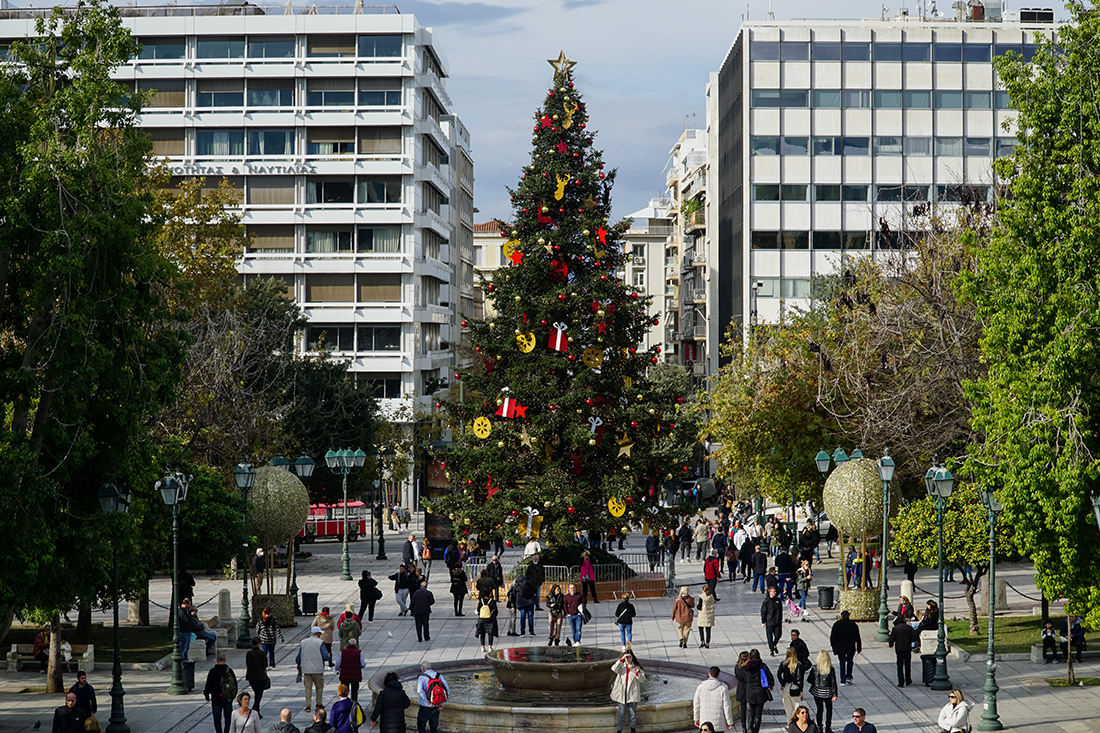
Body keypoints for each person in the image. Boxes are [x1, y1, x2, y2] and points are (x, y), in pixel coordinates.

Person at [295, 626, 331, 713]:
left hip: (307, 669)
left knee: (308, 688)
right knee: (319, 687)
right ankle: (319, 703)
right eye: (320, 633)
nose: (320, 635)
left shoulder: (303, 642)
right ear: (317, 633)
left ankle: (308, 705)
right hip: (318, 669)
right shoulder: (320, 642)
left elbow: (298, 657)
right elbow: (325, 656)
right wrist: (329, 656)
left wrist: (299, 663)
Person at [735, 650, 773, 733]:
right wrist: (771, 684)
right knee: (758, 713)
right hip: (760, 691)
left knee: (751, 711)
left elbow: (741, 677)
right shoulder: (762, 665)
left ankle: (749, 727)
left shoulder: (745, 667)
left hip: (750, 691)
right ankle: (756, 729)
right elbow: (769, 676)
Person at [611, 650, 645, 733]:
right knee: (621, 714)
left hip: (632, 693)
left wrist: (637, 673)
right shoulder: (621, 666)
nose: (628, 659)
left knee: (632, 714)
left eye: (630, 657)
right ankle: (619, 731)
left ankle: (633, 730)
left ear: (632, 657)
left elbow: (642, 679)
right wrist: (621, 659)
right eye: (627, 657)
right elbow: (613, 669)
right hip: (622, 692)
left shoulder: (636, 667)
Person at [692, 665, 733, 732]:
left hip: (704, 722)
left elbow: (696, 705)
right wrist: (729, 722)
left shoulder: (700, 687)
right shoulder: (723, 688)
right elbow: (727, 706)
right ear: (718, 675)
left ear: (709, 674)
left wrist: (696, 719)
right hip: (719, 723)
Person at [203, 652, 236, 733]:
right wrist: (232, 696)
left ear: (217, 660)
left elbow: (208, 684)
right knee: (228, 716)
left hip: (216, 697)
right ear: (225, 660)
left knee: (217, 718)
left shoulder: (212, 671)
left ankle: (219, 731)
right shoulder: (229, 671)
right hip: (227, 697)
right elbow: (234, 684)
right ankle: (226, 731)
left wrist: (206, 695)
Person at [807, 650, 838, 733]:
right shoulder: (830, 668)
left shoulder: (815, 668)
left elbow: (809, 679)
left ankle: (819, 727)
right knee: (829, 710)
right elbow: (833, 682)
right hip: (828, 692)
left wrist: (815, 683)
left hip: (817, 691)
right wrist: (835, 694)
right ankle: (828, 727)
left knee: (819, 710)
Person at [777, 648, 810, 722]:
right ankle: (794, 722)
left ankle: (789, 722)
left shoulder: (783, 664)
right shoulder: (798, 665)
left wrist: (782, 683)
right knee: (796, 706)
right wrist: (800, 690)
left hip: (786, 686)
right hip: (795, 687)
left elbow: (778, 674)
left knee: (788, 708)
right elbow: (799, 678)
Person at [829, 610, 861, 685]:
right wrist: (859, 647)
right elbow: (857, 637)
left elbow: (832, 637)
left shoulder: (837, 624)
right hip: (850, 647)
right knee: (850, 661)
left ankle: (842, 679)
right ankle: (849, 676)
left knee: (842, 662)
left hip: (840, 648)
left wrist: (833, 647)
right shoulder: (853, 624)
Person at [416, 661, 449, 733]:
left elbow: (419, 690)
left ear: (423, 669)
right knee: (434, 727)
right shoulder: (439, 676)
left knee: (421, 725)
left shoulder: (422, 677)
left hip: (425, 706)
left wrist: (427, 701)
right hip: (436, 706)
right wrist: (441, 703)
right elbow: (446, 689)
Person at [887, 616, 917, 687]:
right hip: (907, 648)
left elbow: (891, 639)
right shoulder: (909, 628)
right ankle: (908, 679)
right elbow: (914, 638)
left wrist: (891, 644)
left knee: (900, 665)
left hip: (899, 649)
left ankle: (901, 682)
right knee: (907, 664)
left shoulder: (895, 629)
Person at [244, 637, 270, 718]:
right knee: (259, 695)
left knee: (256, 693)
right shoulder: (262, 653)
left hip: (251, 677)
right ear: (259, 643)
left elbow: (247, 664)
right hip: (260, 677)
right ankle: (255, 710)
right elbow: (265, 665)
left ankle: (256, 711)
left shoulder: (249, 653)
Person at [761, 586, 784, 656]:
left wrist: (780, 619)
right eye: (773, 591)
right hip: (769, 621)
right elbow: (763, 611)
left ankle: (774, 645)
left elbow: (780, 610)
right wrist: (763, 621)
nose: (775, 592)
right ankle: (771, 649)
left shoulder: (778, 600)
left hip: (777, 621)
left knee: (778, 635)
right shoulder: (766, 601)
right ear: (769, 592)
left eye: (775, 591)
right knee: (769, 637)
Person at [564, 582, 585, 646]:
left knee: (578, 629)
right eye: (571, 588)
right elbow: (565, 605)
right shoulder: (567, 597)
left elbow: (584, 603)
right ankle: (575, 641)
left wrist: (580, 612)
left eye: (573, 588)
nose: (572, 589)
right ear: (569, 589)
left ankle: (577, 641)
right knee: (573, 630)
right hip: (571, 615)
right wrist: (567, 613)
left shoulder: (579, 595)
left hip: (578, 615)